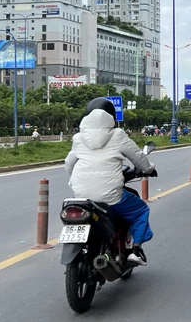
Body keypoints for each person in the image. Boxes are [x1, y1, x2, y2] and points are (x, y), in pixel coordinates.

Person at [64, 97, 156, 266]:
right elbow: (138, 157)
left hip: (82, 195)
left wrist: (75, 180)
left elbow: (69, 164)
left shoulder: (78, 138)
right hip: (111, 195)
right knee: (141, 210)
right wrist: (149, 169)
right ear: (111, 116)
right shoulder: (118, 135)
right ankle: (135, 250)